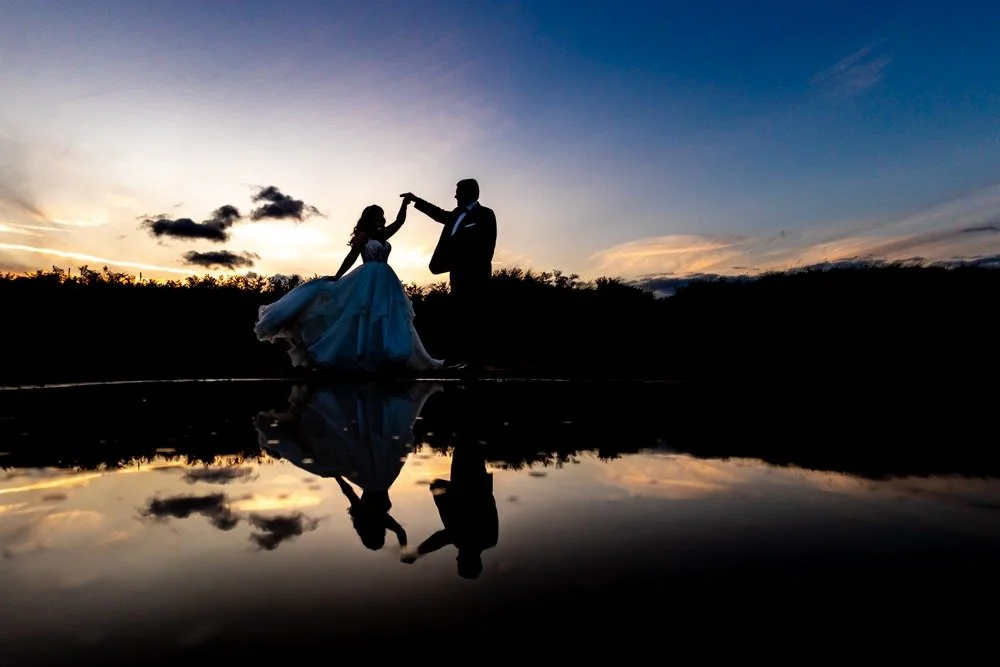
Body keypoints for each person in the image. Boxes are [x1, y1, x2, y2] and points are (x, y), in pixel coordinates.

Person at [254, 196, 443, 371]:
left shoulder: (383, 235)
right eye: (378, 216)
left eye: (382, 216)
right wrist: (337, 276)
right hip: (368, 277)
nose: (382, 219)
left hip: (386, 280)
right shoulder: (363, 236)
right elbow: (352, 257)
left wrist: (406, 203)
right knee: (362, 315)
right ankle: (358, 355)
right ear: (370, 218)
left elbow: (400, 222)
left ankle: (390, 356)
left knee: (388, 315)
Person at [399, 179, 497, 370]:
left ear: (470, 192)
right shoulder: (456, 214)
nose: (455, 195)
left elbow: (487, 247)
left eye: (458, 191)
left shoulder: (486, 214)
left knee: (477, 317)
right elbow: (438, 214)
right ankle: (463, 359)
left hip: (476, 276)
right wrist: (416, 200)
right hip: (458, 274)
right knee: (460, 316)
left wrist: (472, 266)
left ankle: (478, 362)